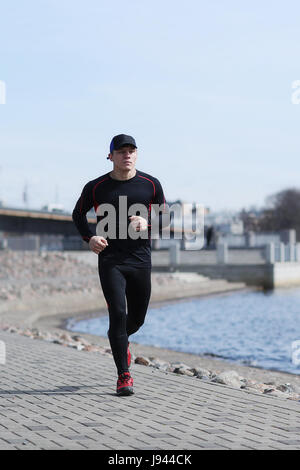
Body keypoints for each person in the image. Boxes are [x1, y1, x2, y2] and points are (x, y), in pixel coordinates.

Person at [72, 134, 170, 396]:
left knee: (136, 319)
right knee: (117, 313)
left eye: (131, 150)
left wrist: (146, 224)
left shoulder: (150, 184)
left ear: (136, 154)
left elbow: (165, 219)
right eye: (121, 151)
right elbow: (78, 214)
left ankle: (120, 339)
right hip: (111, 260)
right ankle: (123, 375)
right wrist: (89, 237)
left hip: (140, 260)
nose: (127, 155)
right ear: (111, 156)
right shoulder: (96, 187)